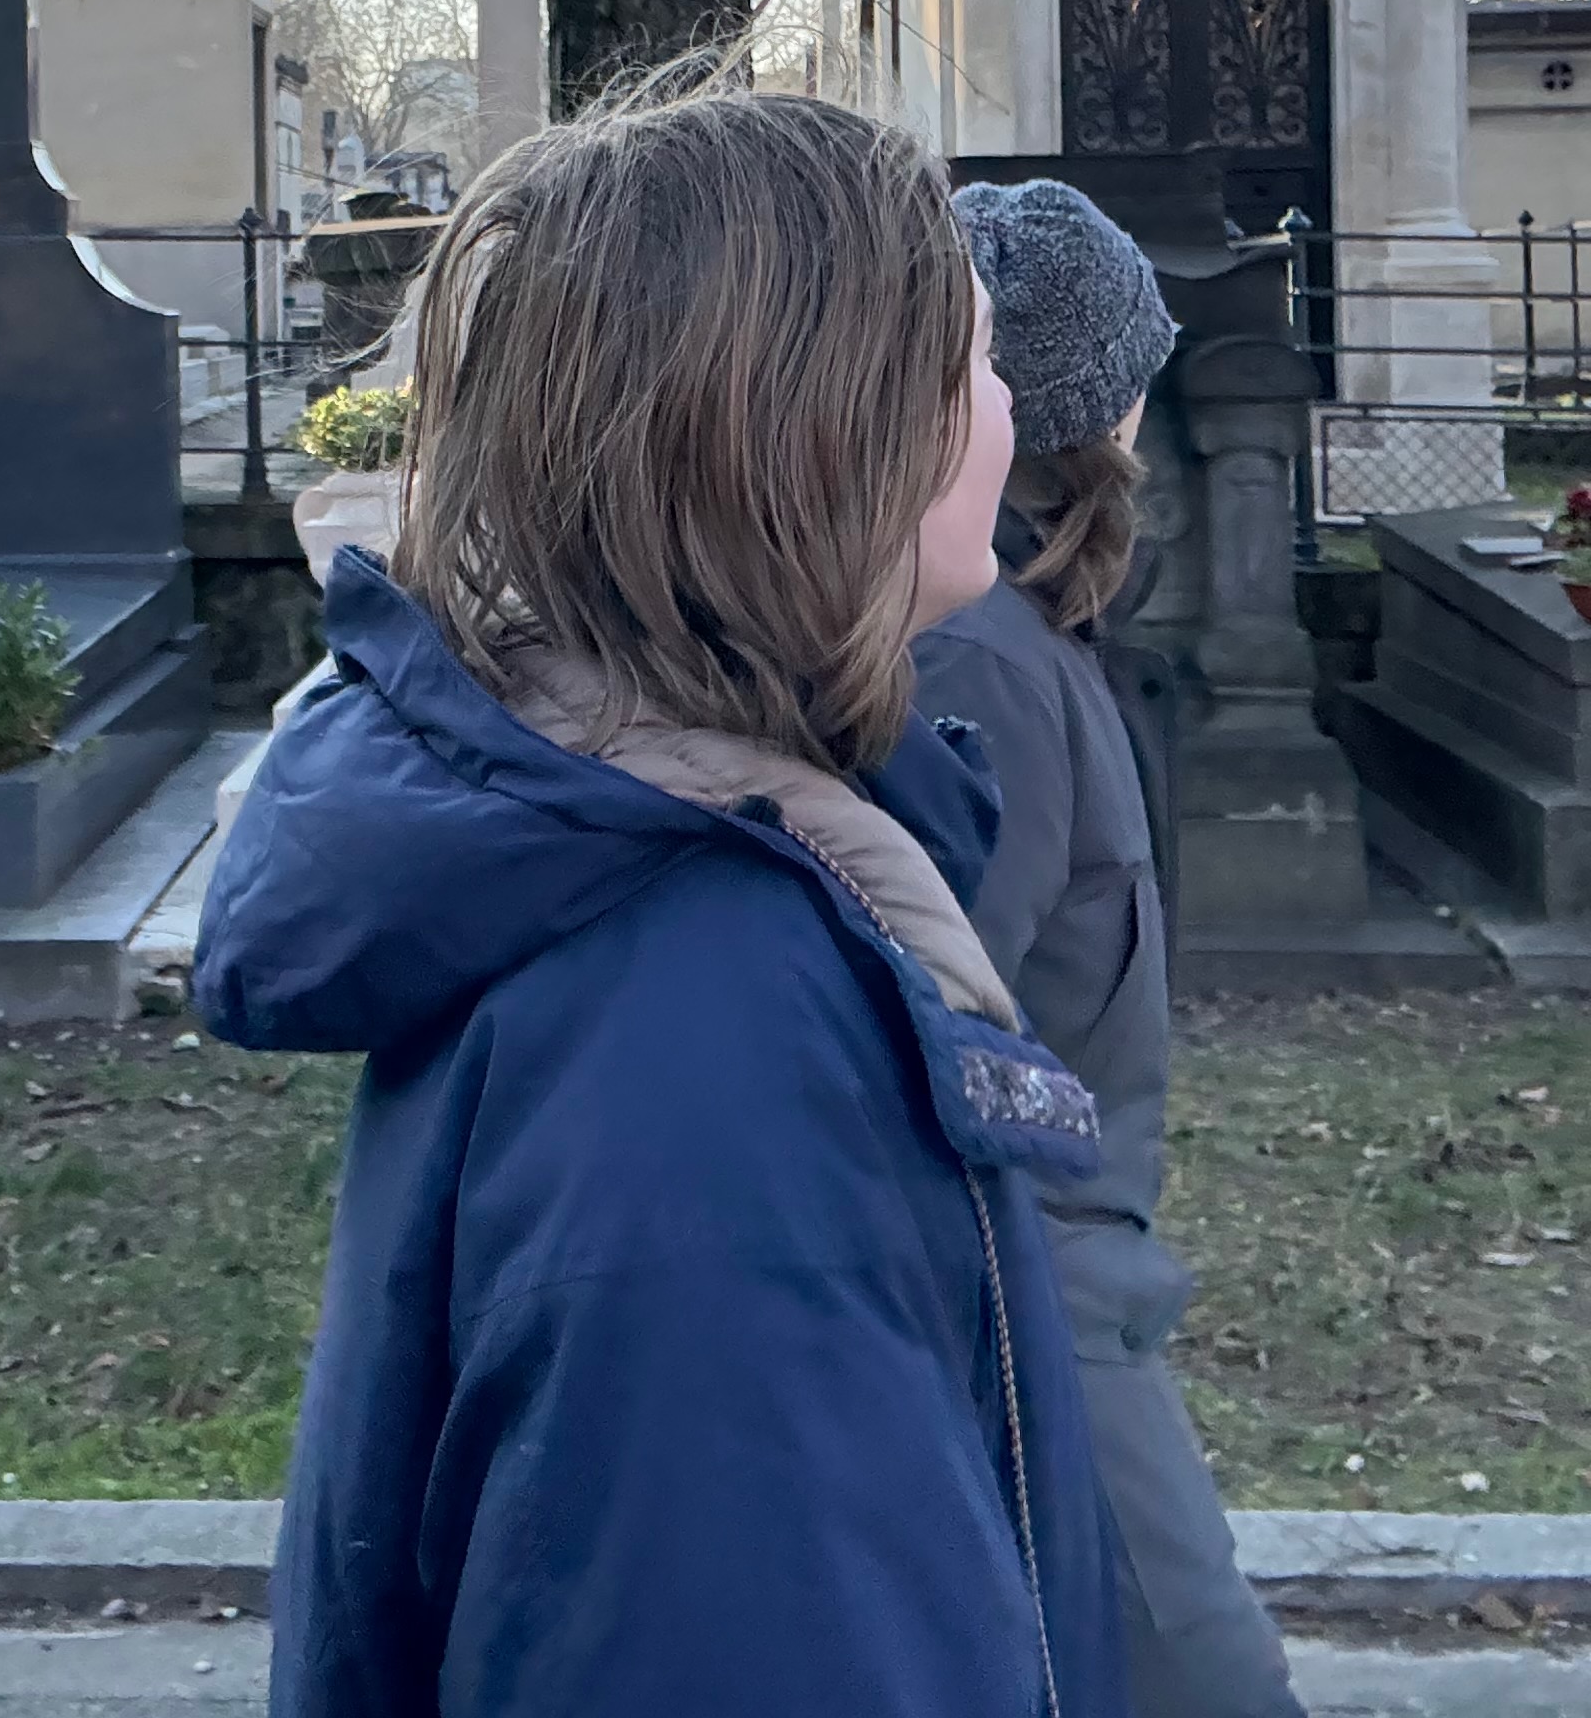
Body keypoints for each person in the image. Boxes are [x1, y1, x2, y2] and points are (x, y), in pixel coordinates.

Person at [197, 83, 1128, 1718]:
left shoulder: (672, 885)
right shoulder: (719, 1036)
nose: (1008, 413)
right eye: (980, 360)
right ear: (831, 424)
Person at [921, 179, 1302, 1718]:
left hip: (1062, 1285)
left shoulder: (1033, 631)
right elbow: (946, 1026)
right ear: (1101, 403)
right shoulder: (982, 662)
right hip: (1032, 1308)